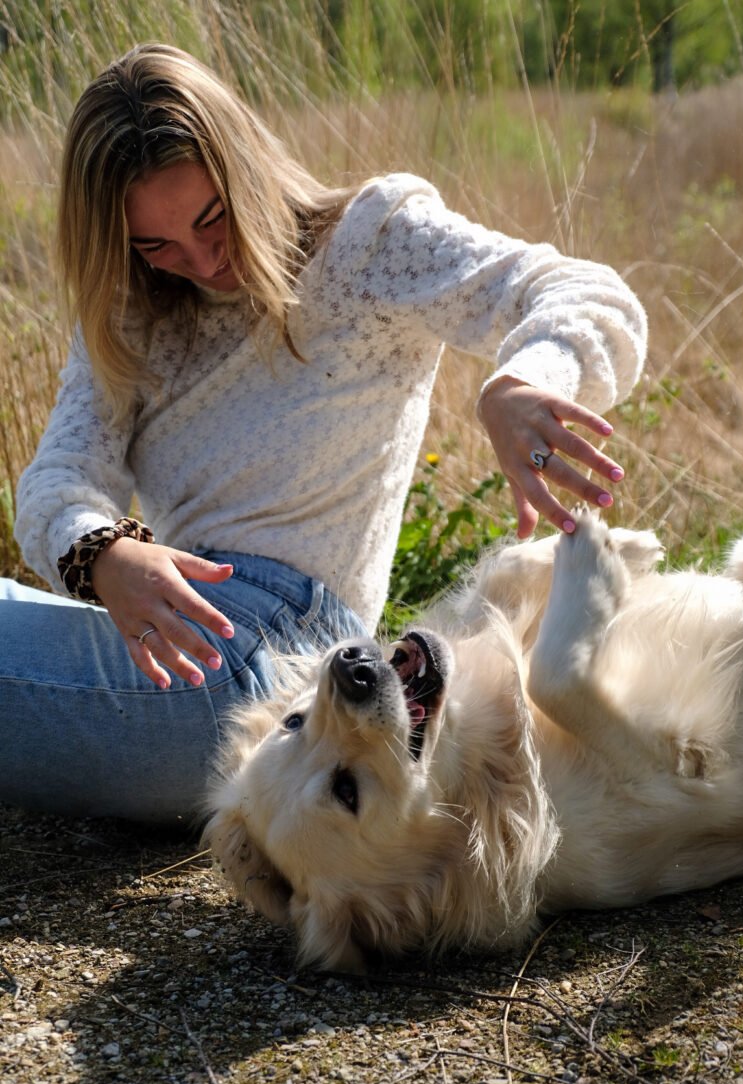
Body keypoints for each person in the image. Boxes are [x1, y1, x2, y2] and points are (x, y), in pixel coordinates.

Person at [2, 43, 647, 824]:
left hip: (271, 673)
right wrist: (101, 554)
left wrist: (522, 384)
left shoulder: (369, 243)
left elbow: (580, 292)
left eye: (214, 217)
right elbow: (58, 476)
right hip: (177, 634)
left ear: (245, 167)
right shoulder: (131, 310)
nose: (203, 261)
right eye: (157, 245)